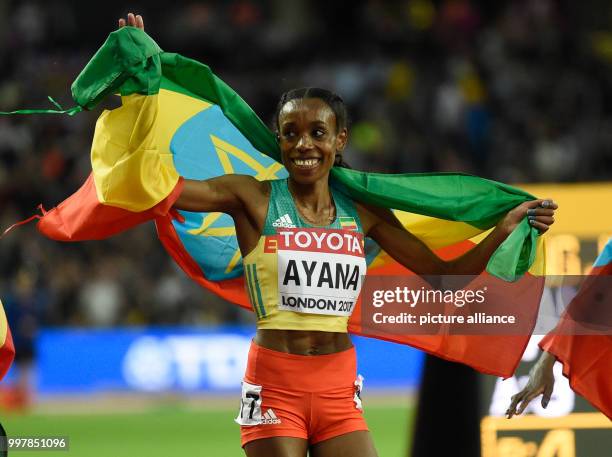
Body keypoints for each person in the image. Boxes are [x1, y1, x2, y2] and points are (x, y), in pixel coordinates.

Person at [119, 12, 558, 457]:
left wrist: (502, 230)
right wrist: (143, 88)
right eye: (290, 134)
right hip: (275, 386)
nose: (303, 144)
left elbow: (447, 276)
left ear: (340, 140)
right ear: (279, 141)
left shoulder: (363, 212)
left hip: (338, 385)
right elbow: (159, 188)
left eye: (317, 132)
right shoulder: (250, 197)